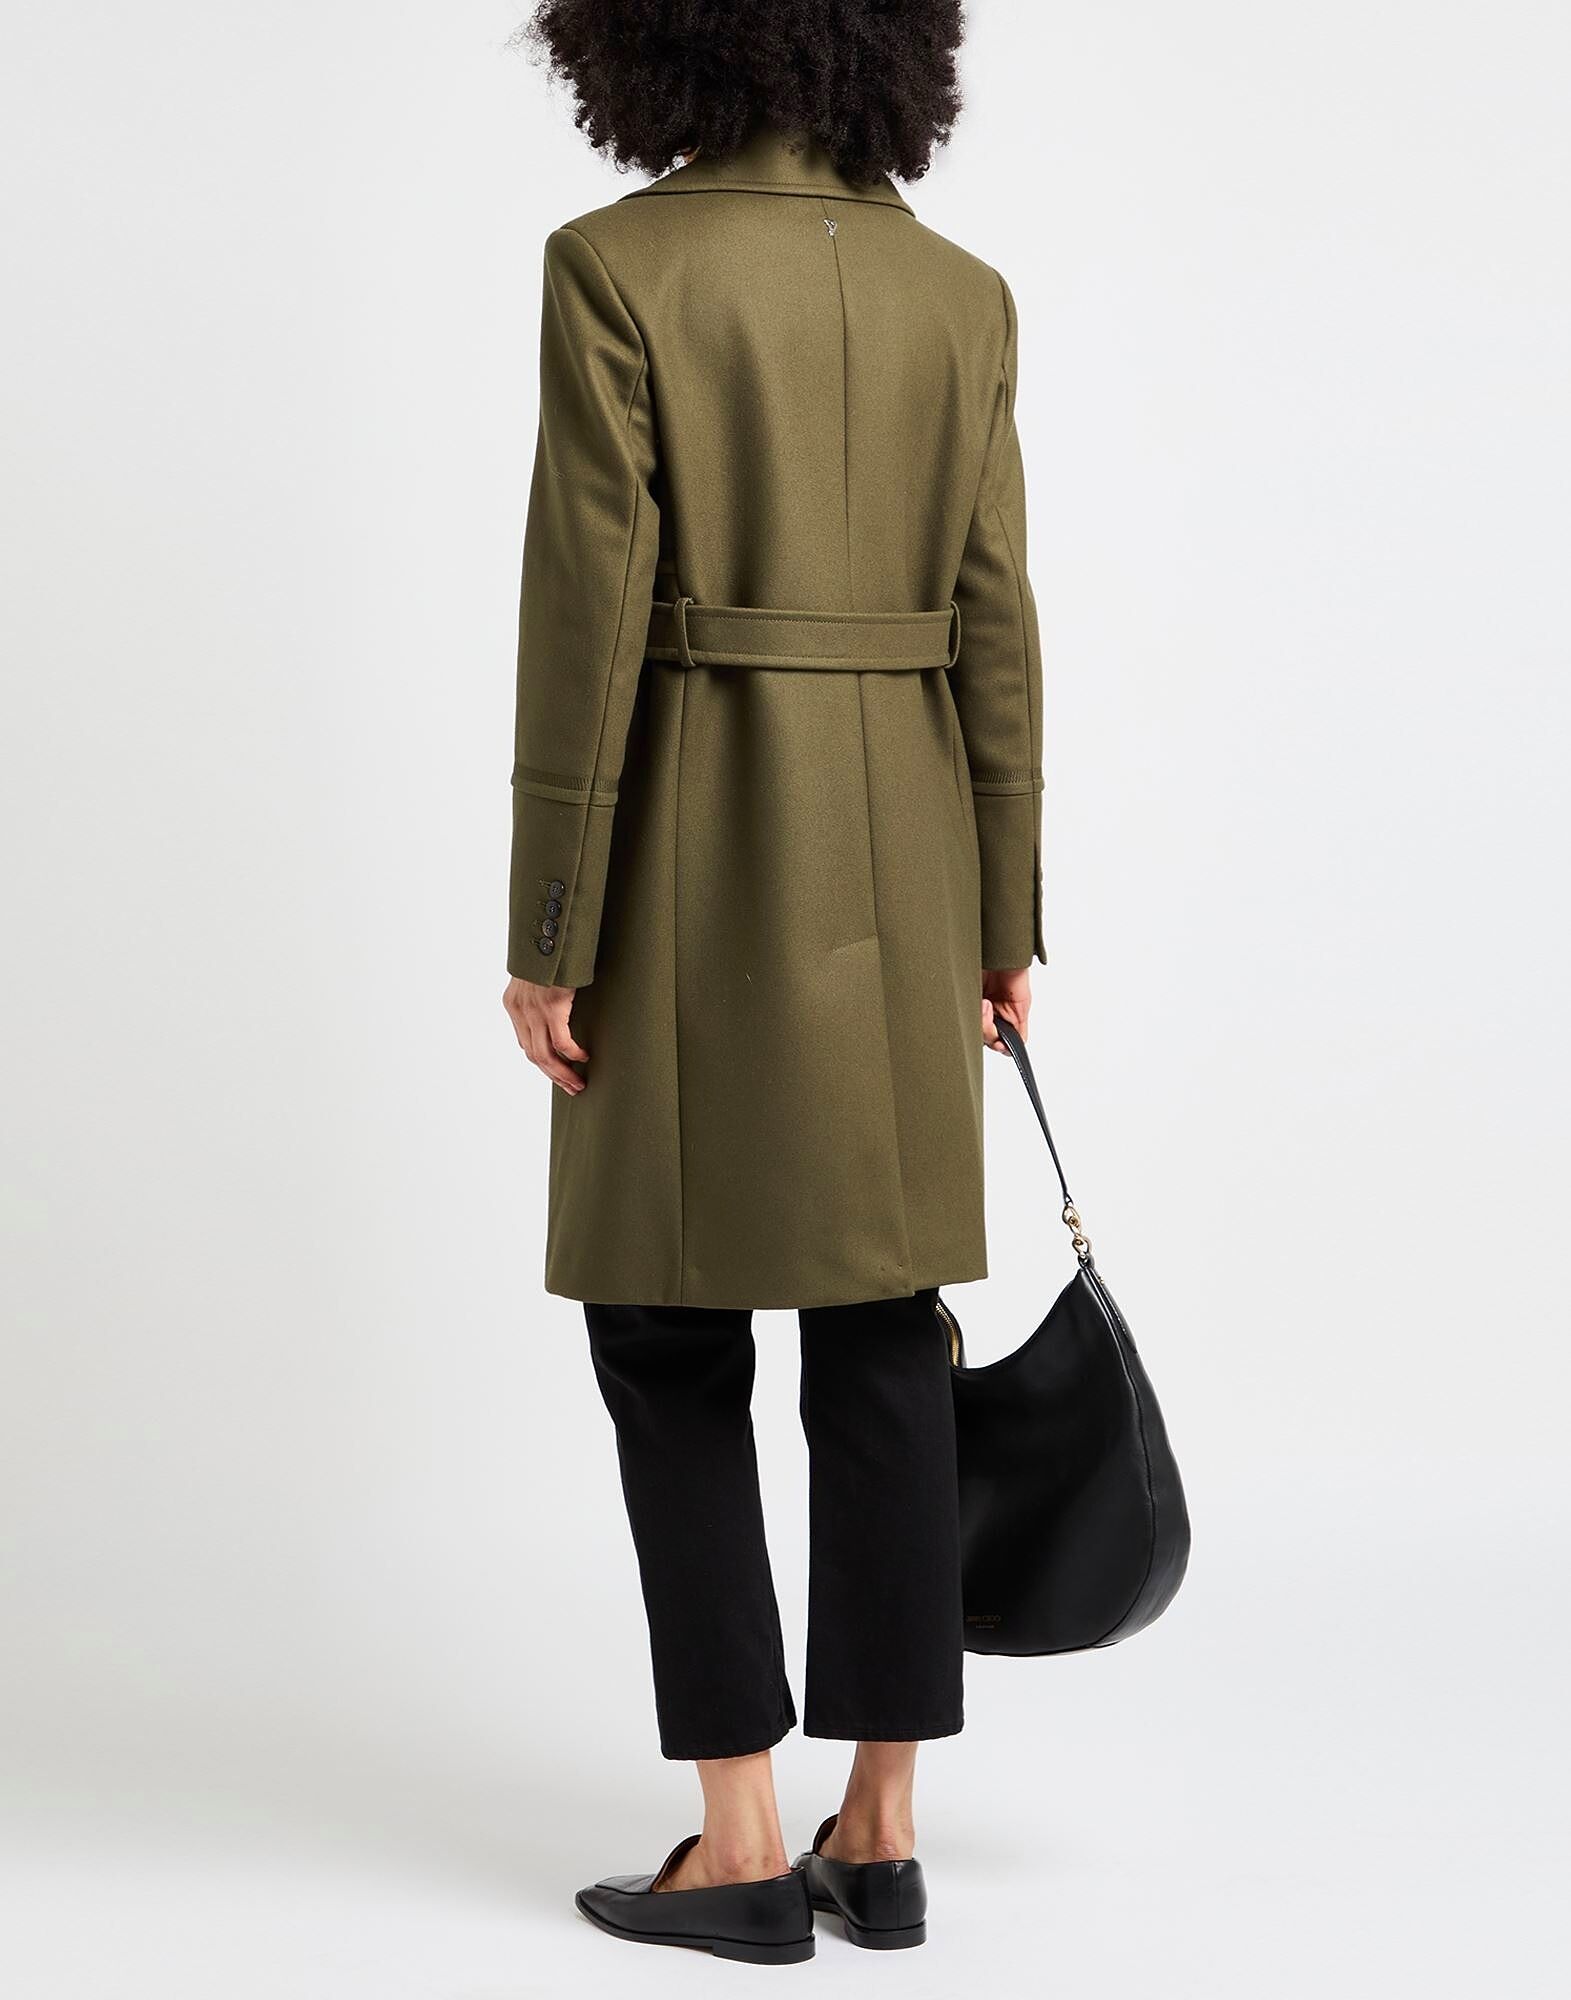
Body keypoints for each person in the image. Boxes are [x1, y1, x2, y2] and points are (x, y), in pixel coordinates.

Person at [501, 0, 1044, 1963]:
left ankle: (738, 1840)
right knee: (884, 1324)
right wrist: (1004, 916)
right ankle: (878, 1833)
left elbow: (589, 615)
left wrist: (550, 926)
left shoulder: (617, 267)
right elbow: (997, 619)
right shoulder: (959, 295)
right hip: (912, 853)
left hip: (692, 848)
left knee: (667, 1323)